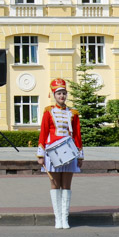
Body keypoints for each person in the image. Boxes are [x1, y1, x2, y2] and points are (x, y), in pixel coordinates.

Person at [36, 78, 84, 229]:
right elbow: (43, 133)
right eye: (59, 93)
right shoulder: (48, 112)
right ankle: (58, 218)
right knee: (55, 184)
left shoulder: (73, 113)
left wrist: (80, 155)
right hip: (52, 152)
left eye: (64, 93)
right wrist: (40, 154)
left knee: (66, 185)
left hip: (69, 152)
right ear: (54, 95)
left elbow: (77, 135)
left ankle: (65, 218)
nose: (62, 96)